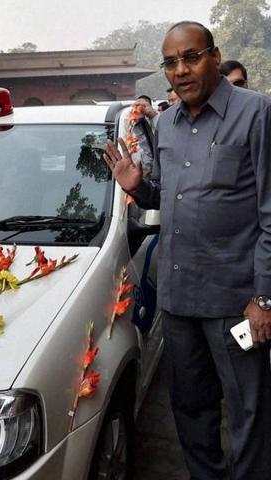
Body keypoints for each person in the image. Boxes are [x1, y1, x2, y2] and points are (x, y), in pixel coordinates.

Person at [104, 21, 271, 480]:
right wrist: (142, 190)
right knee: (190, 410)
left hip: (235, 303)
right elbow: (178, 196)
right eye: (171, 62)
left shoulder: (257, 114)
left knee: (248, 415)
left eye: (191, 57)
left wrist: (264, 298)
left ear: (214, 57)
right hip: (178, 302)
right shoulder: (168, 125)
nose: (181, 70)